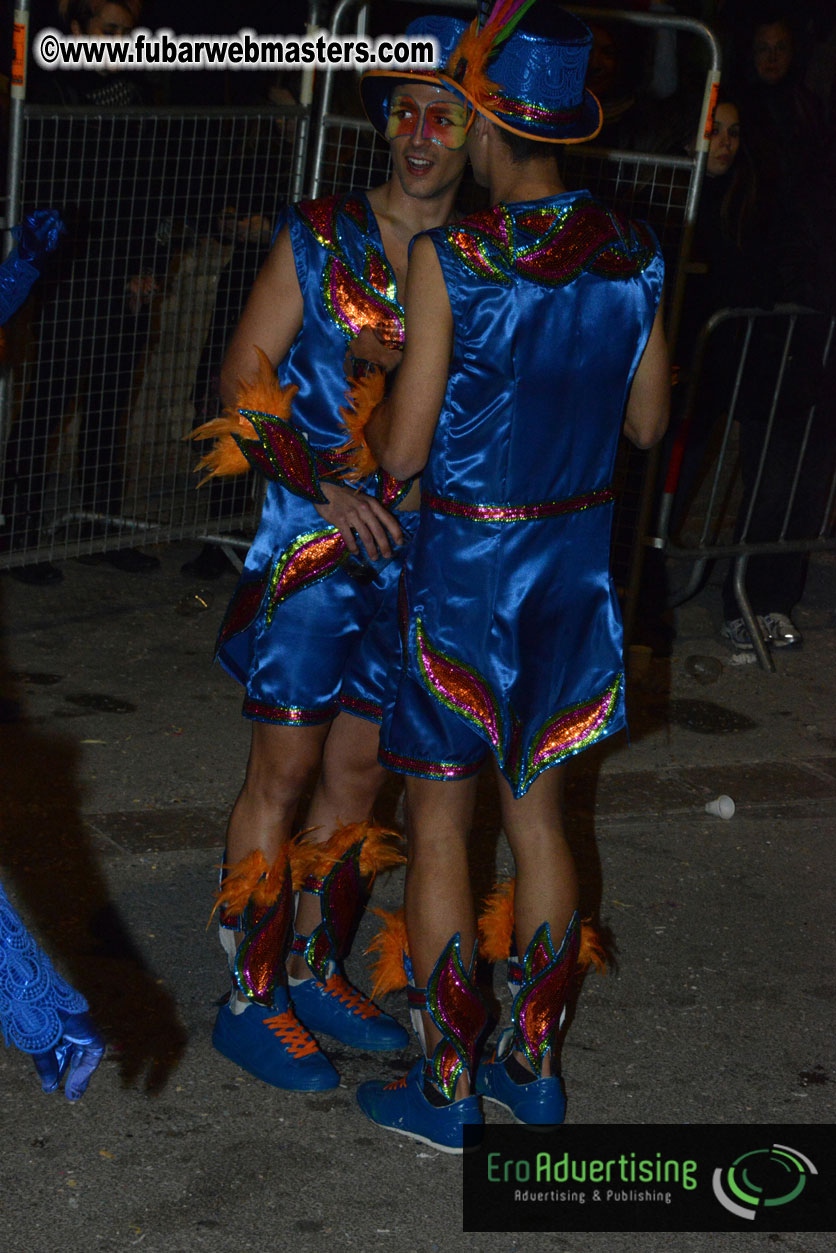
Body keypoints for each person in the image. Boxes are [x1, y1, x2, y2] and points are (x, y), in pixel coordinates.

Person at [344, 4, 669, 1152]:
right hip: (571, 570)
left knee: (441, 826)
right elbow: (646, 422)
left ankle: (442, 1084)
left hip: (471, 568)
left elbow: (403, 453)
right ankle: (531, 1070)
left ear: (483, 116)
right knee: (539, 823)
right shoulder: (632, 249)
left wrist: (386, 370)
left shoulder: (458, 258)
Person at [200, 19, 471, 1092]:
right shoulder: (316, 236)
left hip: (417, 555)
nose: (417, 133)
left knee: (359, 775)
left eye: (442, 114)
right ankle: (248, 993)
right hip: (310, 547)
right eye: (401, 109)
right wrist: (318, 484)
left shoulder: (474, 258)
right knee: (285, 766)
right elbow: (241, 378)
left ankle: (313, 964)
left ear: (471, 130)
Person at [4, 0, 163, 585]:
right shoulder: (51, 92)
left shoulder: (138, 95)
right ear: (76, 31)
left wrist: (148, 263)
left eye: (129, 33)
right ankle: (17, 533)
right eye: (109, 31)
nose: (122, 42)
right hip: (68, 278)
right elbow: (45, 188)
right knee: (46, 405)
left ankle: (99, 528)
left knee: (108, 407)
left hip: (125, 279)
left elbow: (157, 190)